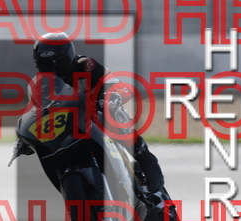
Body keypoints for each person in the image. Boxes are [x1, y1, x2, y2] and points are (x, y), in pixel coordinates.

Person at [12, 32, 164, 193]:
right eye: (46, 65)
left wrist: (112, 96)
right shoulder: (41, 84)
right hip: (70, 124)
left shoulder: (86, 65)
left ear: (69, 57)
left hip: (95, 113)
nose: (53, 69)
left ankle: (144, 156)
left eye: (58, 63)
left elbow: (116, 83)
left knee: (111, 114)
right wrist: (25, 137)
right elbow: (35, 110)